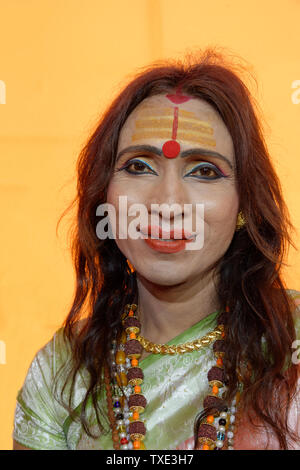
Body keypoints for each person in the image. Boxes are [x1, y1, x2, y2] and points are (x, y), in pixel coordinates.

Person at [13, 48, 300, 450]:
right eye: (138, 166)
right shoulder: (62, 374)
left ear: (245, 207)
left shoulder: (293, 347)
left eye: (204, 170)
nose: (167, 202)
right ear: (105, 200)